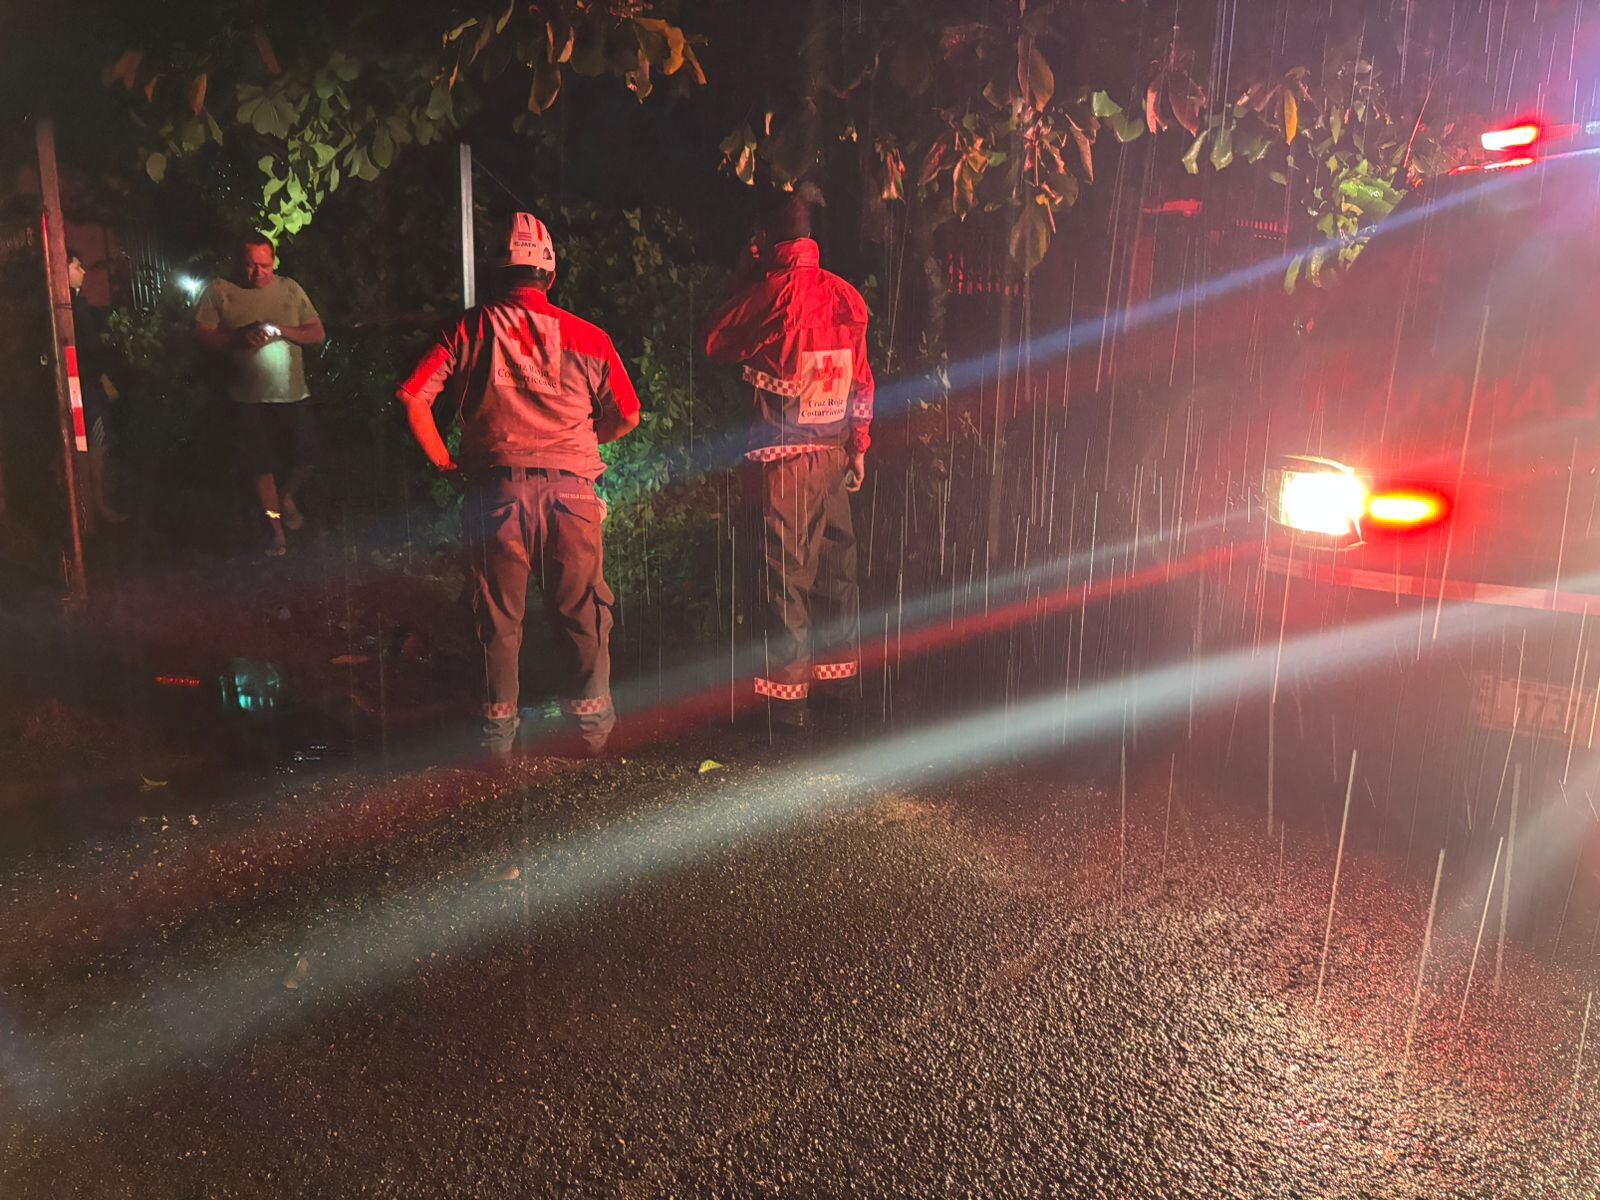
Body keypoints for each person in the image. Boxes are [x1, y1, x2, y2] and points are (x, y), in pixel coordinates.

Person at [395, 212, 641, 758]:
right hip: (573, 496)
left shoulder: (469, 329)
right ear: (549, 275)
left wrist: (445, 462)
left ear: (498, 271)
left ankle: (496, 744)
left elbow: (413, 396)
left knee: (497, 618)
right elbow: (628, 413)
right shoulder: (590, 338)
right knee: (583, 614)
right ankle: (593, 738)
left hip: (496, 494)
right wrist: (582, 443)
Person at [702, 183, 875, 733]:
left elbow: (716, 344)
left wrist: (745, 275)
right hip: (834, 457)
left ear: (764, 239)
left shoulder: (772, 294)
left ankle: (787, 710)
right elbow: (863, 382)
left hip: (786, 462)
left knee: (785, 581)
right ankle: (842, 696)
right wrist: (859, 445)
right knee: (835, 577)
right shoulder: (846, 296)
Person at [193, 233, 325, 557]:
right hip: (248, 399)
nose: (258, 273)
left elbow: (317, 333)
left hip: (293, 394)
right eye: (251, 266)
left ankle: (288, 494)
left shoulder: (290, 289)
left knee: (308, 456)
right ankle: (276, 532)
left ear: (275, 262)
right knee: (260, 466)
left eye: (265, 266)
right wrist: (237, 337)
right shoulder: (220, 291)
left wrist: (280, 330)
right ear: (240, 263)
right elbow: (203, 337)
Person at [67, 250, 126, 527]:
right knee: (97, 442)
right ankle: (96, 504)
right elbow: (91, 350)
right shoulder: (73, 307)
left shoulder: (77, 305)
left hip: (88, 383)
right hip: (88, 386)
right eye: (77, 266)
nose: (83, 271)